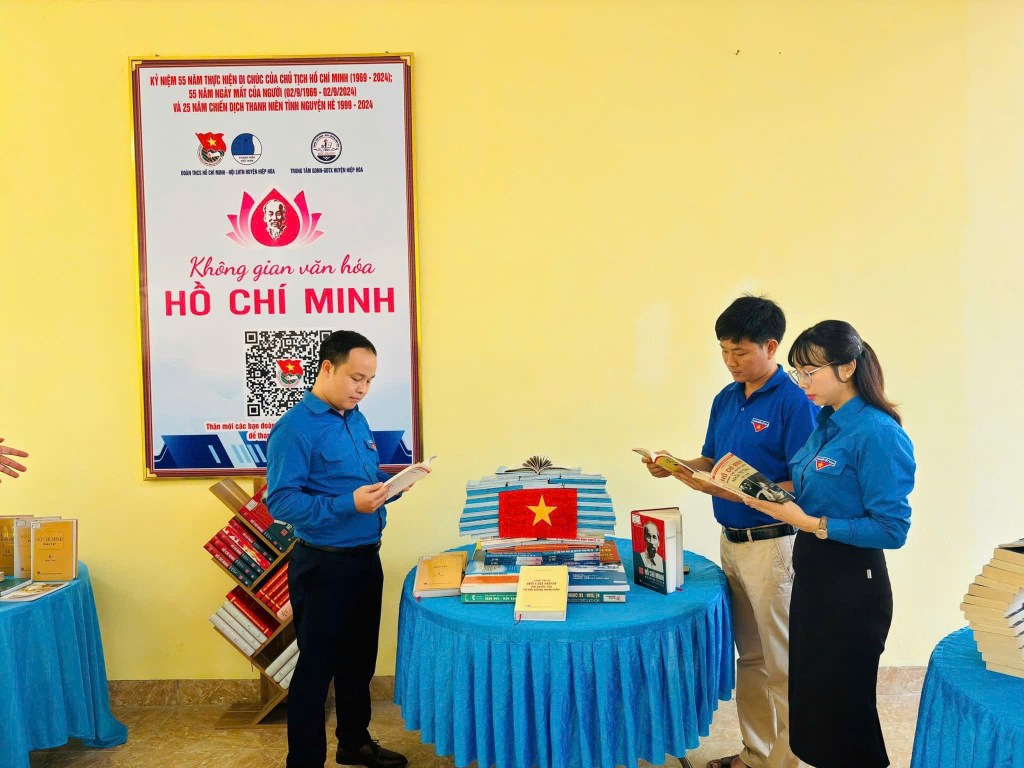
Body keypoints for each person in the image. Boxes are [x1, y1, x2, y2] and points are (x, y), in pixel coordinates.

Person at [640, 296, 818, 768]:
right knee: (752, 659)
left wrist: (744, 493)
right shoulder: (726, 398)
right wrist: (676, 466)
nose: (730, 361)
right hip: (732, 544)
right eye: (723, 351)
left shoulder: (795, 401)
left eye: (740, 351)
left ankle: (787, 762)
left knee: (783, 663)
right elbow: (711, 460)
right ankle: (756, 755)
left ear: (771, 346)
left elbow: (806, 483)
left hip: (775, 545)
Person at [741, 320, 915, 768]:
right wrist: (764, 492)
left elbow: (892, 529)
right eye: (797, 372)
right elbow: (818, 487)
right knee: (816, 705)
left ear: (847, 367)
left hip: (853, 586)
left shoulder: (877, 432)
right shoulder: (826, 422)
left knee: (846, 712)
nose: (802, 383)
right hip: (815, 578)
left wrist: (810, 523)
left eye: (810, 372)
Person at [266, 330, 408, 768]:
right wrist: (350, 504)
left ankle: (354, 743)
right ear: (327, 368)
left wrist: (390, 486)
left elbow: (360, 479)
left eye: (369, 381)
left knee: (359, 662)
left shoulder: (356, 418)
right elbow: (281, 503)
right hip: (324, 566)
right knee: (316, 669)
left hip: (366, 558)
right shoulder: (294, 428)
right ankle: (305, 760)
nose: (362, 389)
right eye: (355, 378)